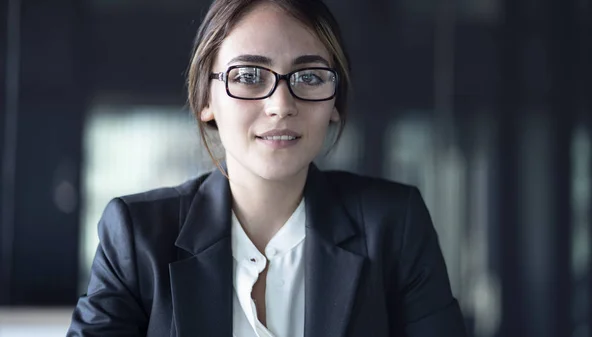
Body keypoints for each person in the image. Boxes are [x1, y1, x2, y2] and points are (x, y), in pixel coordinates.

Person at [67, 0, 468, 336]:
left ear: (334, 103)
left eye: (309, 76)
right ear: (207, 99)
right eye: (248, 76)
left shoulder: (394, 227)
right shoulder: (137, 238)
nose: (280, 105)